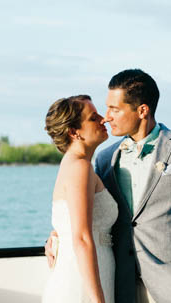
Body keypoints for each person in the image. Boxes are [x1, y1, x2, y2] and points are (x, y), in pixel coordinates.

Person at [47, 69, 171, 303]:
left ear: (142, 110)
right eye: (105, 108)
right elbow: (87, 213)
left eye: (115, 109)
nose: (106, 117)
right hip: (120, 287)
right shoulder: (104, 159)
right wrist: (59, 235)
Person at [42, 95, 118, 303]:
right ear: (74, 132)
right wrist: (98, 300)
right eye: (93, 118)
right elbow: (82, 238)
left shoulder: (77, 165)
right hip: (81, 282)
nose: (104, 119)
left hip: (90, 272)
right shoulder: (80, 168)